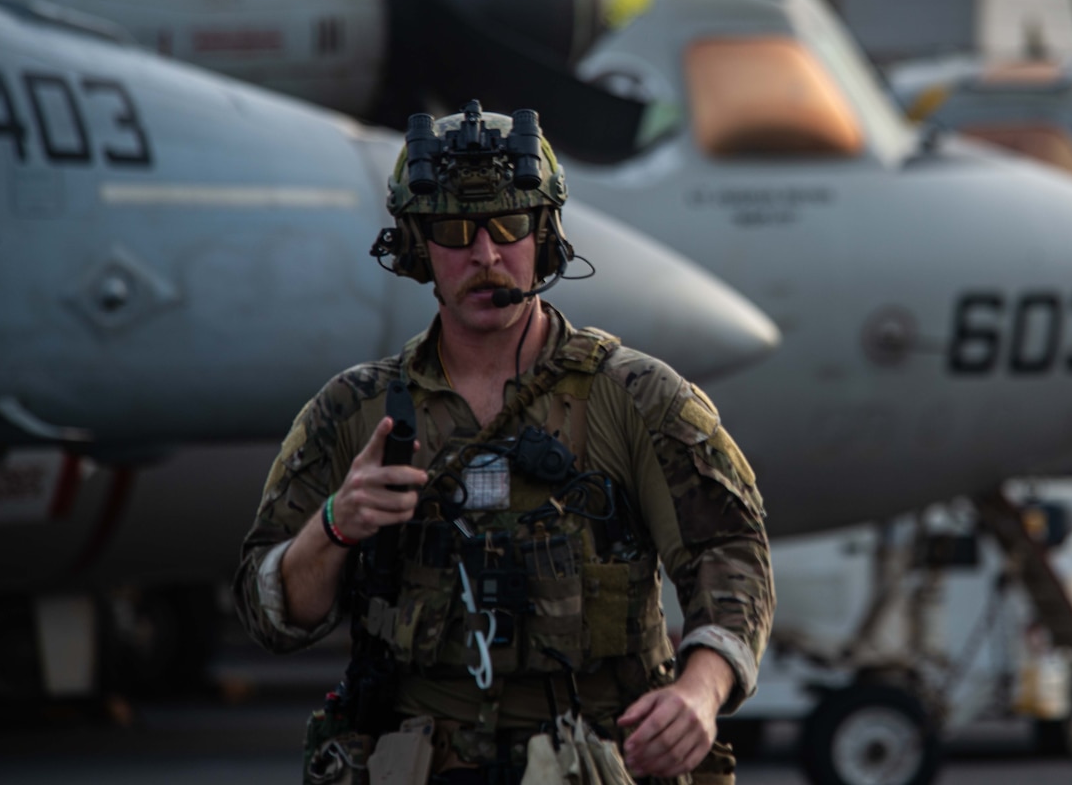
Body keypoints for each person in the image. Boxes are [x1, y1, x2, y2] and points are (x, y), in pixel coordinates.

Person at [234, 101, 773, 784]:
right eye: (455, 232)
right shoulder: (353, 412)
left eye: (510, 226)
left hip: (593, 759)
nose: (486, 255)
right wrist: (336, 526)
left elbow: (732, 558)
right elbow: (271, 612)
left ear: (545, 236)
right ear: (415, 247)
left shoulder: (638, 399)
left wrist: (700, 692)